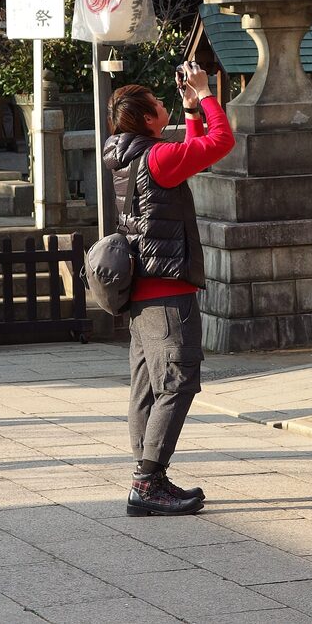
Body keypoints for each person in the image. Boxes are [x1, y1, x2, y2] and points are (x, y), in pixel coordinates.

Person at [104, 62, 235, 516]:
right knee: (178, 380)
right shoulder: (157, 158)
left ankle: (147, 477)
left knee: (145, 387)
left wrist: (188, 110)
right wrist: (205, 95)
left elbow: (189, 152)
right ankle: (148, 482)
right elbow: (220, 143)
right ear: (145, 119)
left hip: (141, 291)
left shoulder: (129, 154)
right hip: (166, 290)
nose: (165, 106)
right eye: (159, 105)